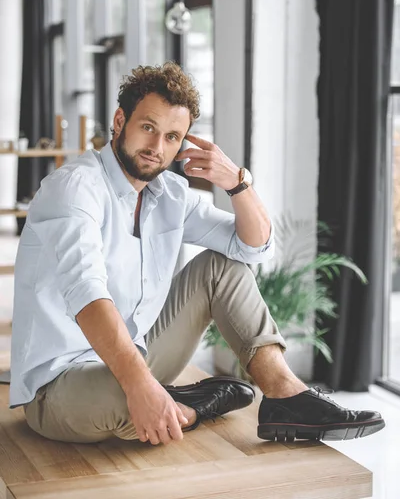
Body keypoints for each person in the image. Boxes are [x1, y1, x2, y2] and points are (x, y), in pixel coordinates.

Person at [10, 62, 384, 446]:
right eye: (148, 128)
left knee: (222, 267)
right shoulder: (75, 189)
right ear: (120, 121)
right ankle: (187, 406)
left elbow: (251, 247)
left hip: (135, 356)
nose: (157, 148)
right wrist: (142, 386)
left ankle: (286, 395)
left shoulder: (170, 194)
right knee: (130, 403)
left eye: (173, 137)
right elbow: (87, 294)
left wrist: (237, 184)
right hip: (56, 387)